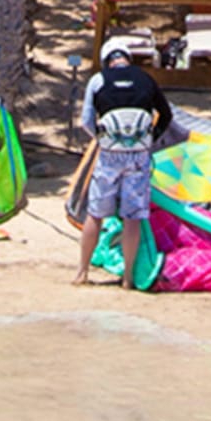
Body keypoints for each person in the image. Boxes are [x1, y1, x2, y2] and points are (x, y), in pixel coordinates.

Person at [75, 36, 174, 289]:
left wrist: (101, 138)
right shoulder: (146, 79)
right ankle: (128, 278)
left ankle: (82, 272)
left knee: (95, 214)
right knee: (132, 217)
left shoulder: (98, 80)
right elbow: (167, 114)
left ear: (106, 61)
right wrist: (150, 139)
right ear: (127, 57)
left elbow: (86, 120)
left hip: (109, 155)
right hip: (139, 157)